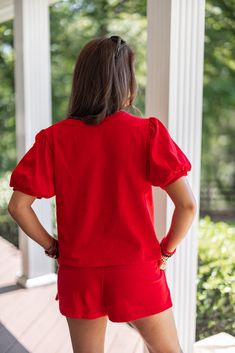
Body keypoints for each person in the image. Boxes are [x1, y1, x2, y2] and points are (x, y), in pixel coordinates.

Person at [8, 35, 197, 353]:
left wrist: (53, 247)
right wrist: (166, 251)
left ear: (81, 80)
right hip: (138, 270)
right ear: (127, 82)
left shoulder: (54, 139)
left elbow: (18, 206)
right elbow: (188, 206)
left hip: (80, 273)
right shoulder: (147, 132)